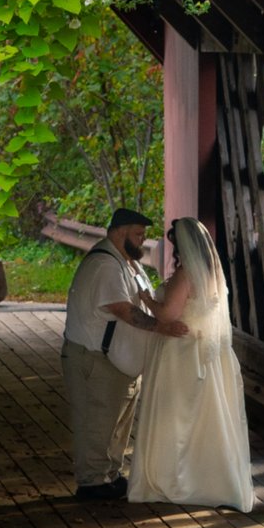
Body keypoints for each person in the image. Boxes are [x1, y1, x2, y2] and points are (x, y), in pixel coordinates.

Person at [128, 216, 256, 511]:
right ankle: (212, 478)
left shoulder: (186, 274)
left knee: (175, 418)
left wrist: (146, 298)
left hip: (181, 354)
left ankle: (175, 478)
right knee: (205, 419)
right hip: (206, 352)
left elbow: (167, 316)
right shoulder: (212, 272)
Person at [60, 205, 184, 501]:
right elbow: (124, 310)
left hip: (118, 361)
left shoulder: (128, 263)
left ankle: (110, 475)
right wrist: (161, 327)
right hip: (95, 359)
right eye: (138, 234)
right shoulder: (105, 265)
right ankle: (91, 483)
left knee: (116, 425)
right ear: (119, 232)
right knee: (97, 421)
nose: (143, 240)